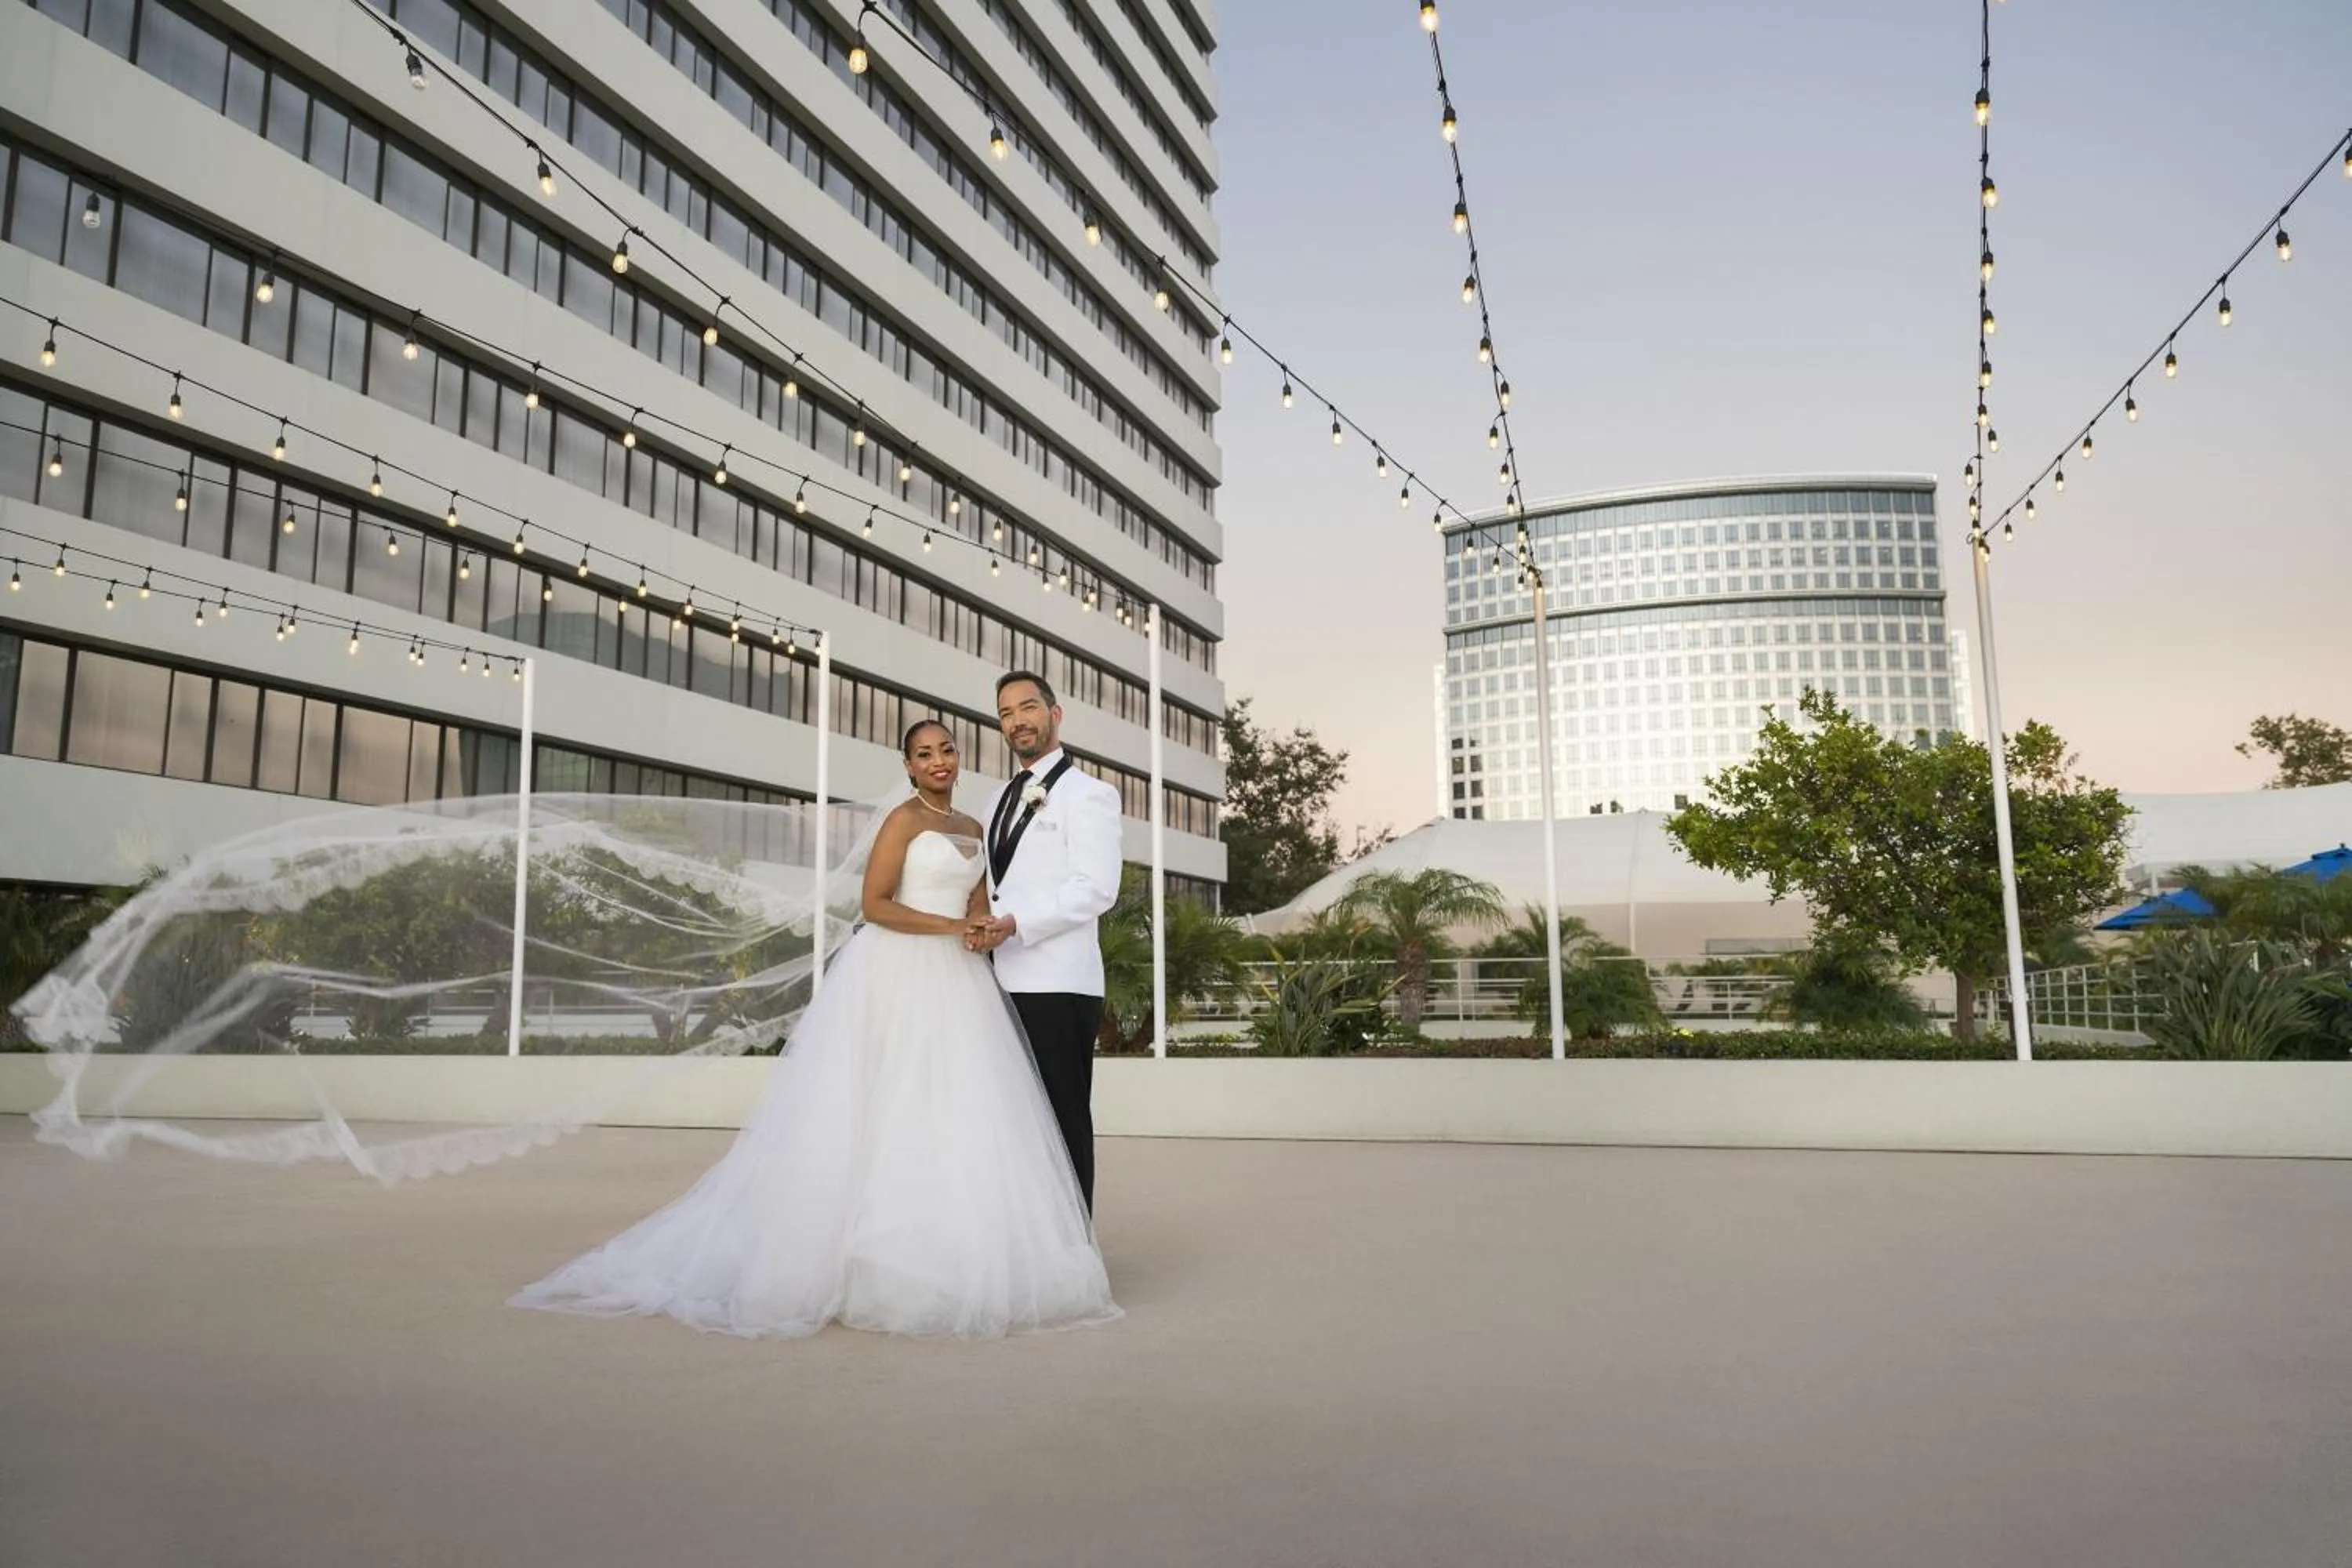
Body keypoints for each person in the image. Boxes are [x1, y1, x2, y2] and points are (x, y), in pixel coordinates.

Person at [510, 718, 1118, 1340]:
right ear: (907, 767)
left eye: (946, 750)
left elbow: (977, 904)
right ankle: (857, 1257)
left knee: (951, 1111)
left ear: (958, 758)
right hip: (898, 972)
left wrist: (983, 926)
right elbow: (875, 904)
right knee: (880, 1108)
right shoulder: (904, 820)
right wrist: (946, 931)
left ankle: (946, 1248)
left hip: (961, 984)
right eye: (924, 754)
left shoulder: (972, 825)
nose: (938, 761)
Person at [967, 671, 1124, 1212]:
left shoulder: (1092, 795)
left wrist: (1014, 923)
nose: (1017, 721)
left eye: (1028, 708)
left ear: (1055, 714)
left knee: (1063, 1122)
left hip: (1060, 984)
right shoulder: (994, 802)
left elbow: (1097, 888)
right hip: (1000, 983)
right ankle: (1034, 1256)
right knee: (1014, 1127)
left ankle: (1076, 1253)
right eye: (1006, 713)